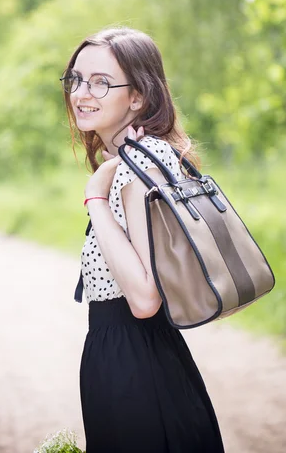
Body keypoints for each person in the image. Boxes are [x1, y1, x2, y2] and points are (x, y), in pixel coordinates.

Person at [59, 27, 225, 453]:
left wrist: (94, 197)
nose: (81, 93)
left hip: (136, 367)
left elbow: (145, 298)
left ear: (137, 97)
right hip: (131, 359)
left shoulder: (138, 167)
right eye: (75, 79)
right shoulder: (130, 160)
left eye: (100, 82)